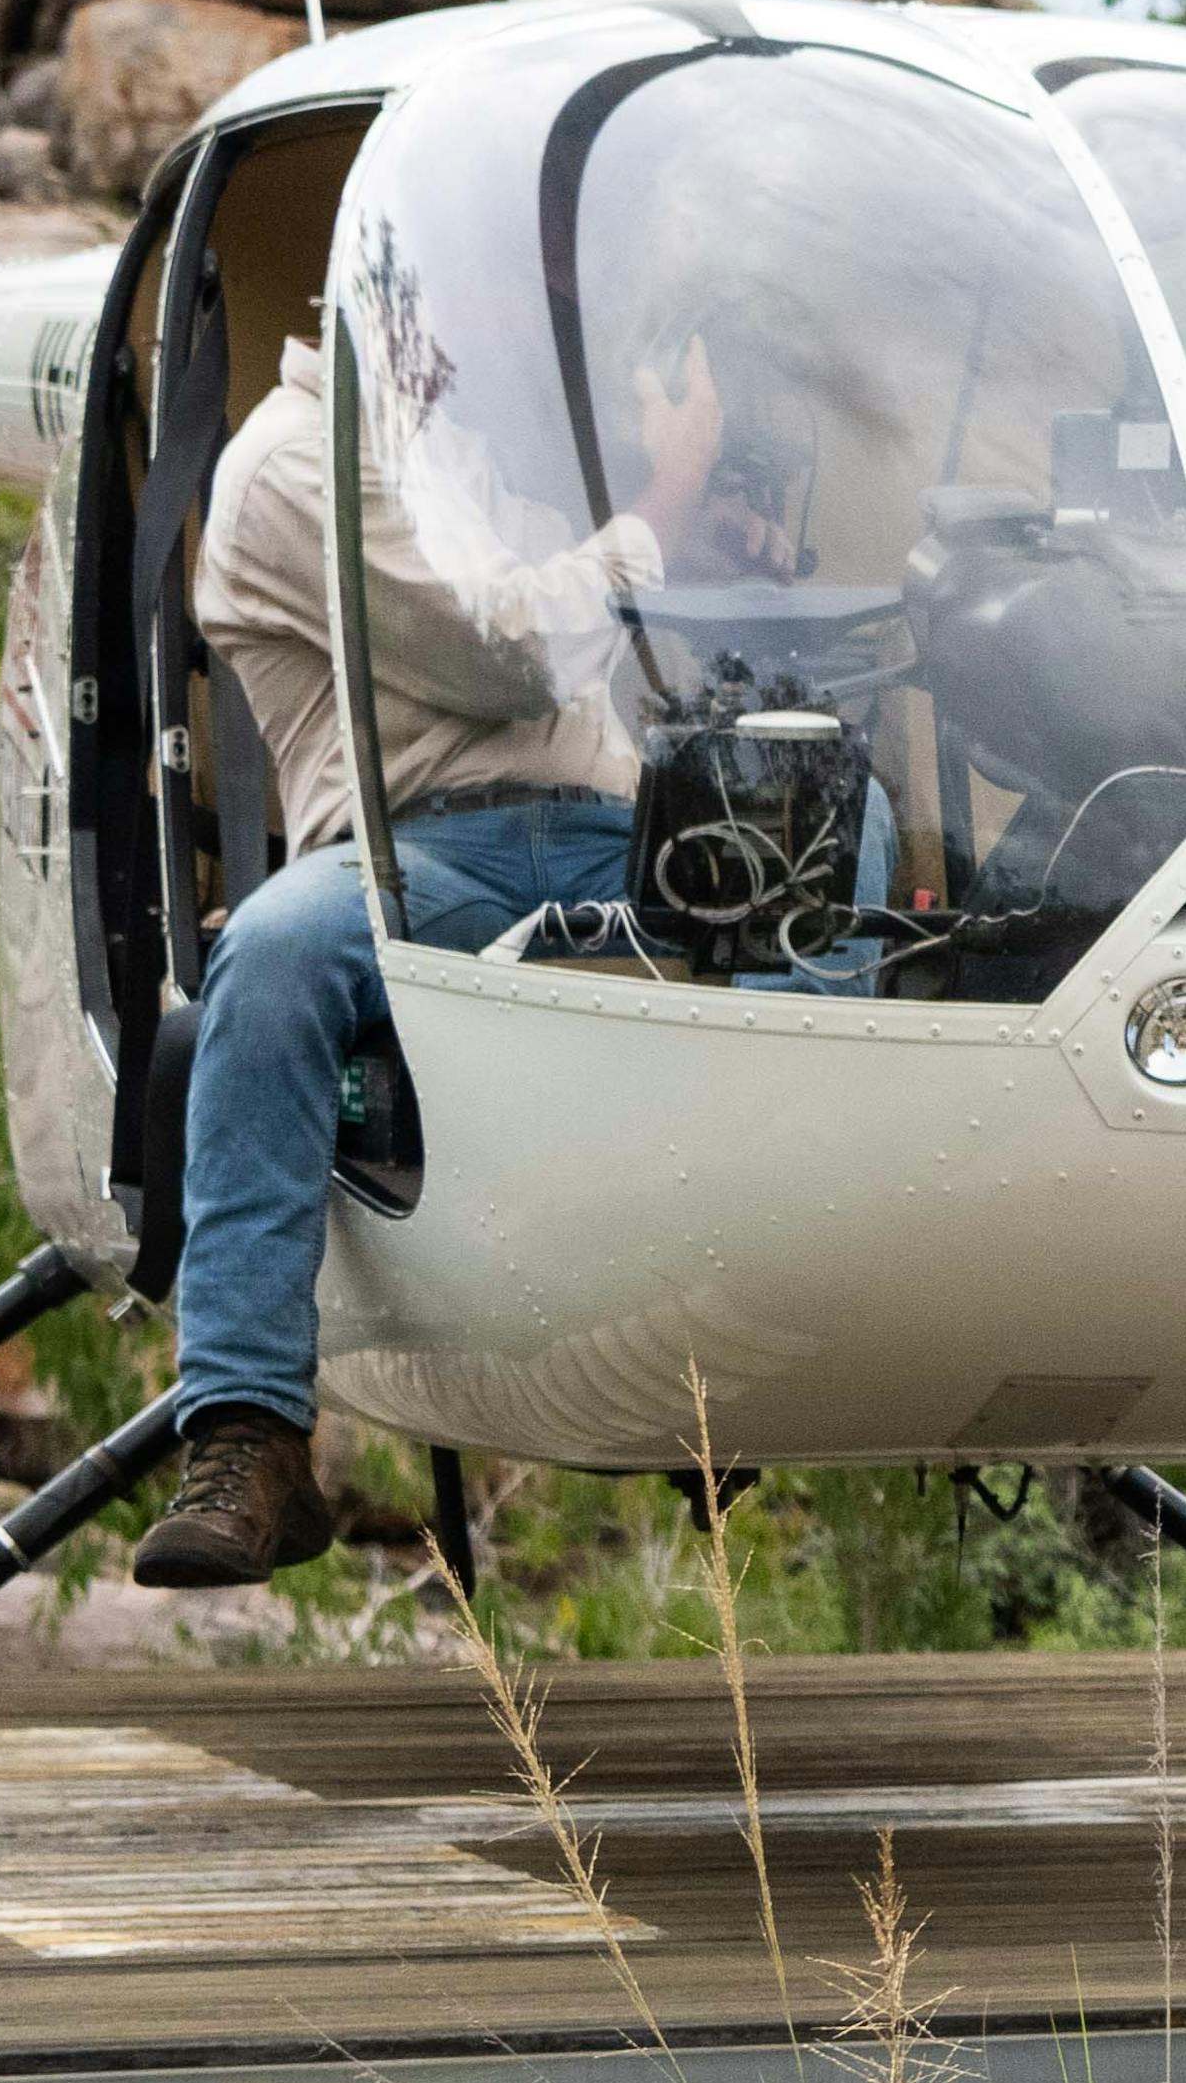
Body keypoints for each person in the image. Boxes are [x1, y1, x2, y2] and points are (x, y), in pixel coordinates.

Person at [130, 308, 753, 1585]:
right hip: (415, 859)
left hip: (609, 836)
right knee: (277, 948)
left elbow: (627, 650)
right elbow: (504, 650)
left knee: (830, 856)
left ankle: (775, 1317)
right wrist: (669, 496)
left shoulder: (493, 467)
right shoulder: (290, 461)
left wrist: (742, 566)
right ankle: (247, 1429)